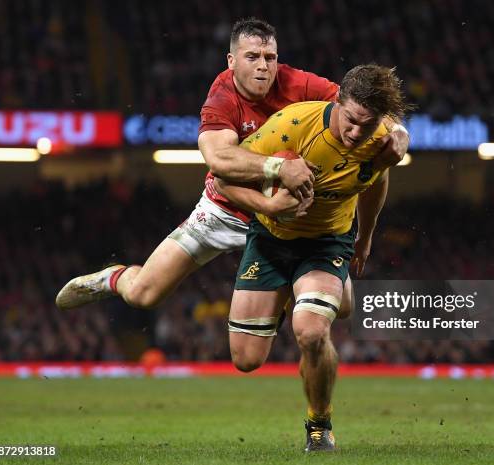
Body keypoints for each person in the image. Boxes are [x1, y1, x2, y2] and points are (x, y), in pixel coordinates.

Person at [55, 18, 409, 331]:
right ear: (231, 61)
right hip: (226, 211)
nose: (263, 67)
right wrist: (279, 167)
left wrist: (399, 134)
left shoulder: (299, 83)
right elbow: (219, 159)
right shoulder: (222, 97)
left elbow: (362, 106)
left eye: (269, 58)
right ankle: (111, 278)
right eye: (252, 57)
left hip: (287, 222)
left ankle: (287, 297)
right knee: (144, 294)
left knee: (343, 307)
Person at [216, 63, 407, 451]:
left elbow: (375, 180)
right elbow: (223, 180)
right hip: (270, 239)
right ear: (337, 101)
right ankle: (312, 293)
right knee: (246, 359)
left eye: (367, 127)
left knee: (311, 331)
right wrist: (269, 207)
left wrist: (366, 237)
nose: (356, 134)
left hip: (327, 242)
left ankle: (319, 426)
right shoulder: (291, 127)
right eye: (351, 121)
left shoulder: (383, 140)